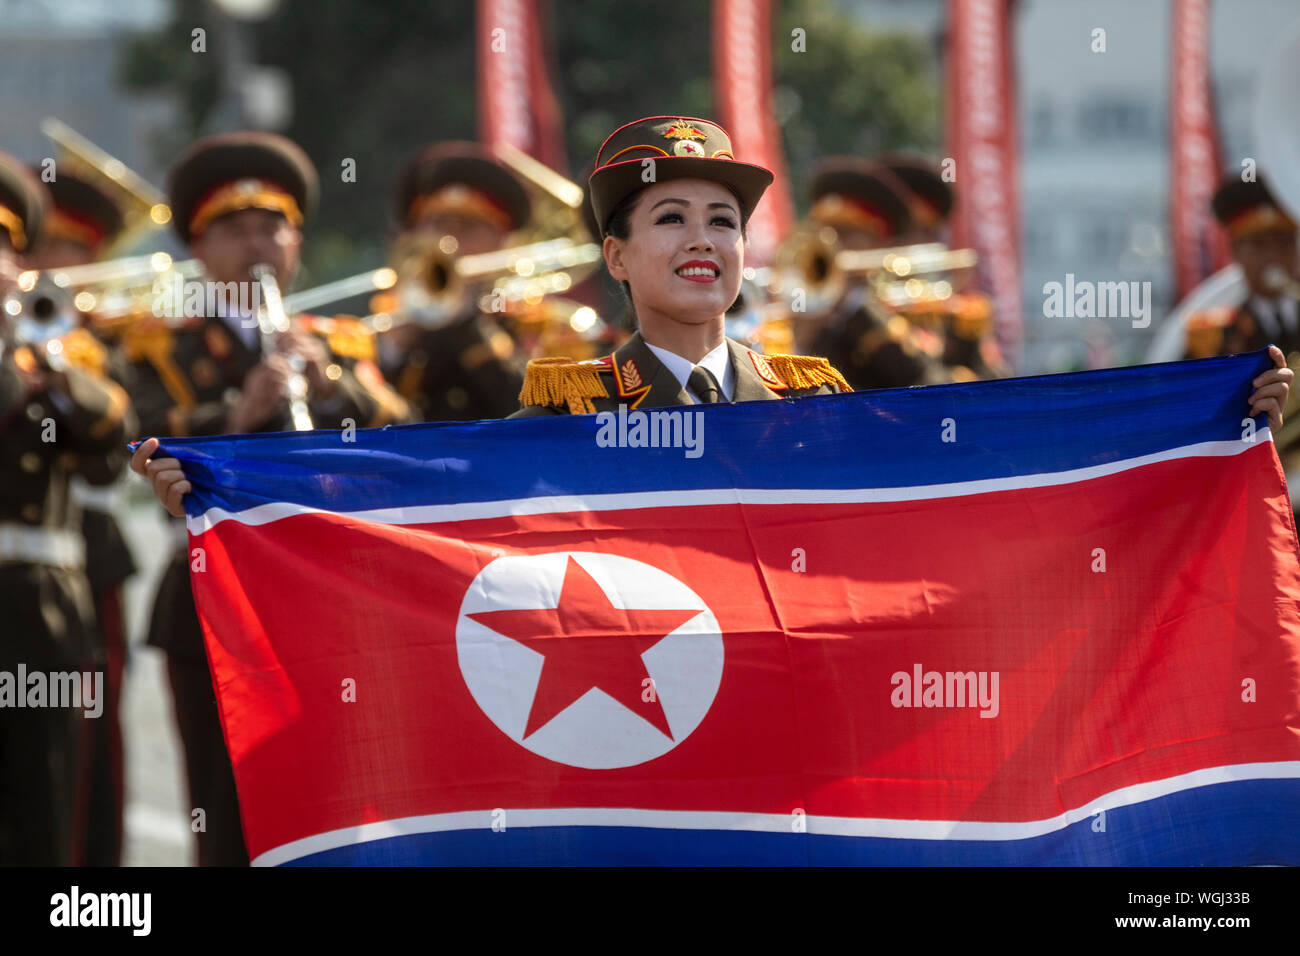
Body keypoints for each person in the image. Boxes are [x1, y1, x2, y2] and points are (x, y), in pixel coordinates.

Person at [122, 131, 409, 866]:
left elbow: (404, 444)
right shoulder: (162, 347)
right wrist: (237, 419)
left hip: (333, 605)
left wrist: (331, 387)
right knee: (224, 811)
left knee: (343, 805)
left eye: (271, 227)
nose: (256, 245)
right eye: (233, 229)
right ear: (197, 250)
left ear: (297, 241)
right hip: (212, 602)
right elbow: (138, 438)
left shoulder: (342, 345)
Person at [511, 116, 851, 416]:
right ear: (616, 256)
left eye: (722, 221)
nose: (702, 240)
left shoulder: (812, 402)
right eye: (672, 218)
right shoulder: (568, 416)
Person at [0, 151, 133, 865]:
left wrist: (42, 358)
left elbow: (108, 447)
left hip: (38, 604)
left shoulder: (60, 353)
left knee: (48, 803)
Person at [375, 142, 531, 421]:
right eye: (437, 224)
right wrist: (394, 351)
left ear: (502, 242)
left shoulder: (536, 326)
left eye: (467, 227)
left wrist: (467, 321)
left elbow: (527, 411)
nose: (450, 243)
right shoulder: (385, 321)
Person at [790, 157, 951, 391]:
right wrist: (804, 334)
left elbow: (935, 387)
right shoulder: (804, 311)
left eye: (846, 233)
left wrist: (857, 309)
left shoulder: (906, 312)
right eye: (823, 234)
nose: (832, 244)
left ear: (878, 242)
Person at [1185, 174, 1300, 359]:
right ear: (1235, 250)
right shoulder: (1214, 336)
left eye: (1284, 242)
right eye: (1258, 245)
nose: (1273, 255)